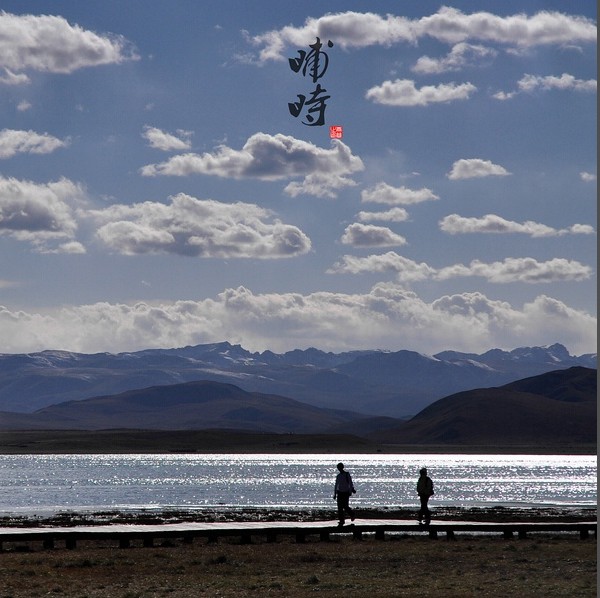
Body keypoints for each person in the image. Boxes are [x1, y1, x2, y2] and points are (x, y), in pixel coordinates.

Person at [333, 462, 356, 526]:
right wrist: (335, 494)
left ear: (342, 467)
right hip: (339, 493)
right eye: (338, 468)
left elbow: (350, 483)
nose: (339, 469)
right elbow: (336, 485)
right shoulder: (338, 476)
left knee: (345, 506)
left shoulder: (347, 474)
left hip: (346, 493)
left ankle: (352, 514)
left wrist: (350, 491)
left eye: (340, 467)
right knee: (340, 507)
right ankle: (341, 520)